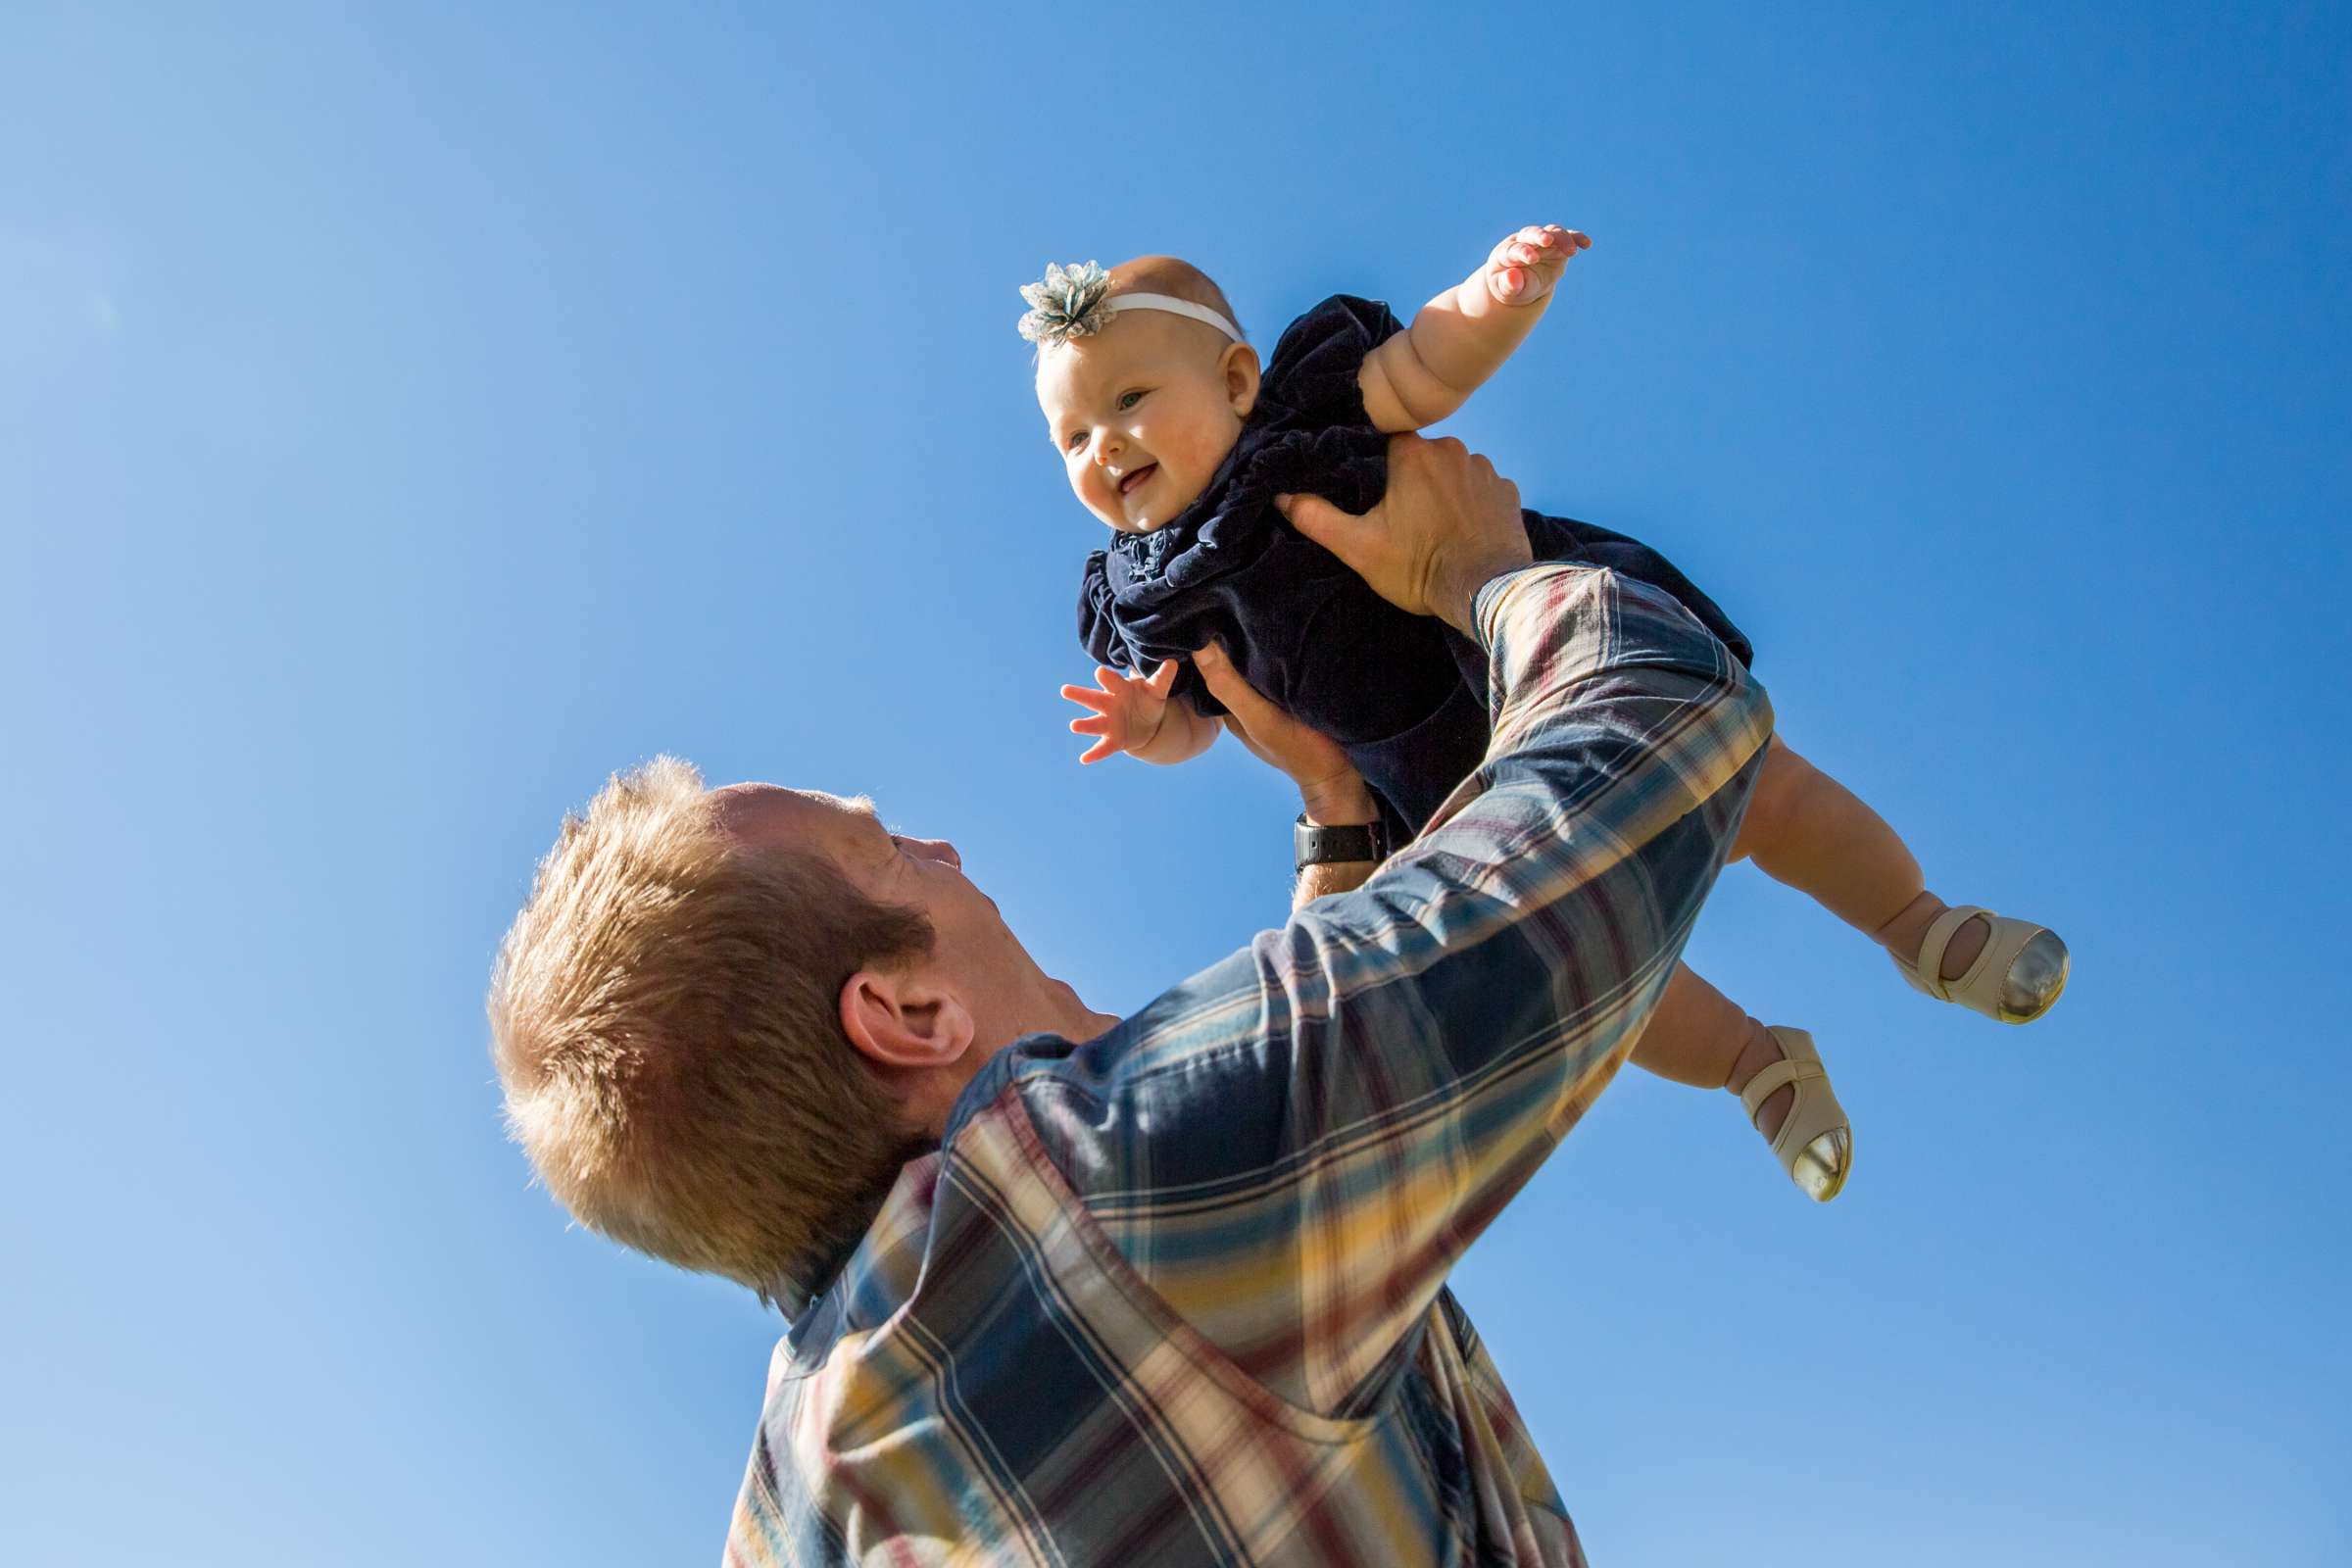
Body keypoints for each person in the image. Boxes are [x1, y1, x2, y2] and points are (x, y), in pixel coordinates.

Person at [492, 435, 1769, 1563]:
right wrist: (1478, 573)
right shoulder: (1098, 1193)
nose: (947, 858)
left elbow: (1266, 1269)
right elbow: (1661, 720)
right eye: (891, 854)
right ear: (908, 1018)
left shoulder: (795, 1503)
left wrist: (1337, 821)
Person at [1024, 234, 2070, 1201]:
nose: (1102, 448)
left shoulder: (1302, 417)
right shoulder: (1148, 593)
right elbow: (1207, 718)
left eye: (1127, 401)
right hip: (1434, 780)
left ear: (1238, 380)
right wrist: (1146, 727)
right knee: (1589, 954)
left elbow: (1425, 366)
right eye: (1072, 437)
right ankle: (1758, 1065)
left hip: (1518, 645)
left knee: (1757, 790)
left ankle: (1920, 925)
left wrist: (1497, 297)